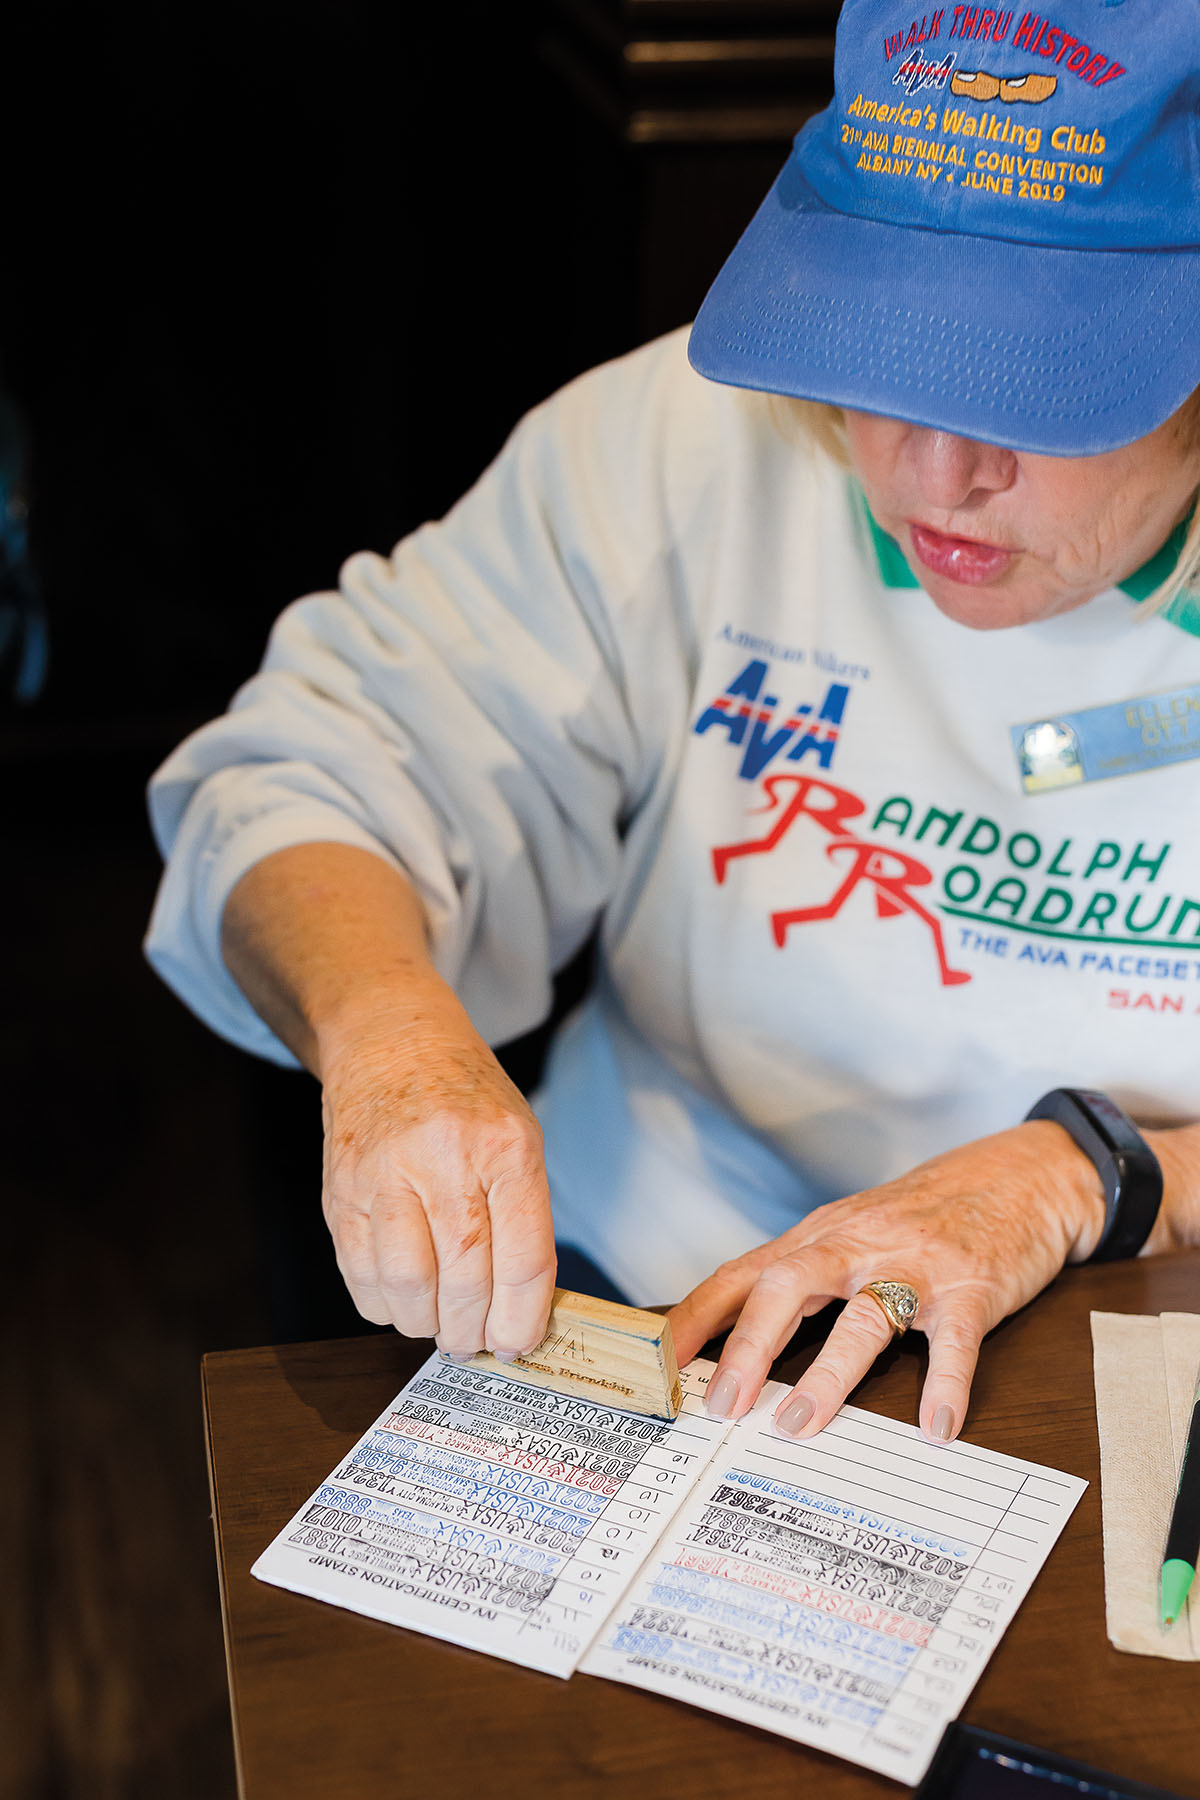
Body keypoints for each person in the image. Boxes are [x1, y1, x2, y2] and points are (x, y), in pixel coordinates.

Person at [146, 0, 1200, 1447]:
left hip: (1128, 1352)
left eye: (1035, 382)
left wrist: (1085, 1175)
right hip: (649, 1294)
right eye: (884, 354)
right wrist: (394, 1038)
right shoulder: (686, 450)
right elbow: (307, 773)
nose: (936, 472)